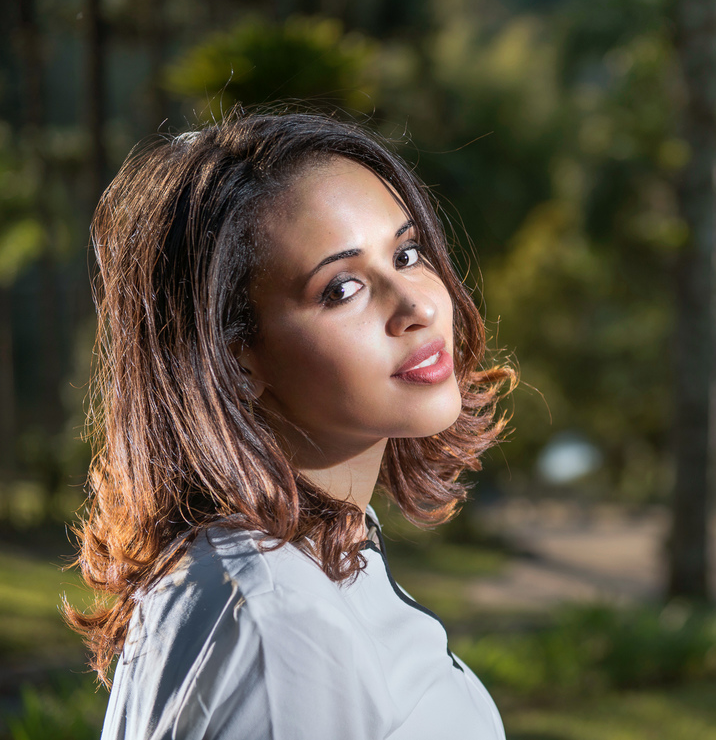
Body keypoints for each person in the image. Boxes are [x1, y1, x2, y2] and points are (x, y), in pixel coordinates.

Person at [66, 111, 516, 739]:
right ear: (236, 357)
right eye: (342, 288)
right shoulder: (276, 626)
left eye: (407, 253)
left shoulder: (321, 552)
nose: (416, 305)